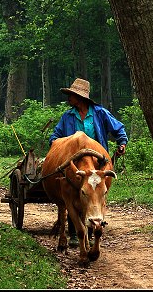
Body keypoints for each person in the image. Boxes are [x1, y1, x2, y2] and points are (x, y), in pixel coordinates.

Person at [49, 77, 128, 247]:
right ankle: (74, 233)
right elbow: (55, 136)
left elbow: (119, 129)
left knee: (94, 195)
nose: (68, 98)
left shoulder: (99, 113)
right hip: (75, 163)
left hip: (97, 163)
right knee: (73, 192)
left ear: (81, 98)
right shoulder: (68, 116)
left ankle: (92, 230)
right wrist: (59, 146)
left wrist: (122, 143)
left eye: (72, 95)